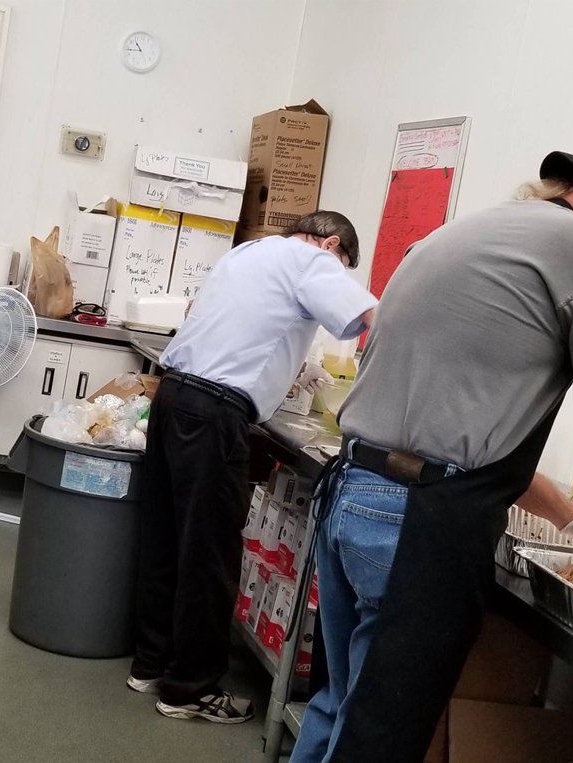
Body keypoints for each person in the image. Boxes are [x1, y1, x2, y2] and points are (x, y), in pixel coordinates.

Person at [291, 151, 573, 762]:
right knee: (380, 736)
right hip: (415, 521)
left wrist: (570, 516)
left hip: (354, 493)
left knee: (343, 705)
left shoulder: (470, 231)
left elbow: (467, 433)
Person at [128, 211, 378, 723]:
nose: (340, 274)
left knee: (166, 538)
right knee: (209, 554)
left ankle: (150, 663)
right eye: (345, 265)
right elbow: (374, 320)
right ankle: (189, 690)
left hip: (174, 397)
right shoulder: (312, 258)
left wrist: (291, 364)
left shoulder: (248, 253)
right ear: (331, 244)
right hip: (215, 415)